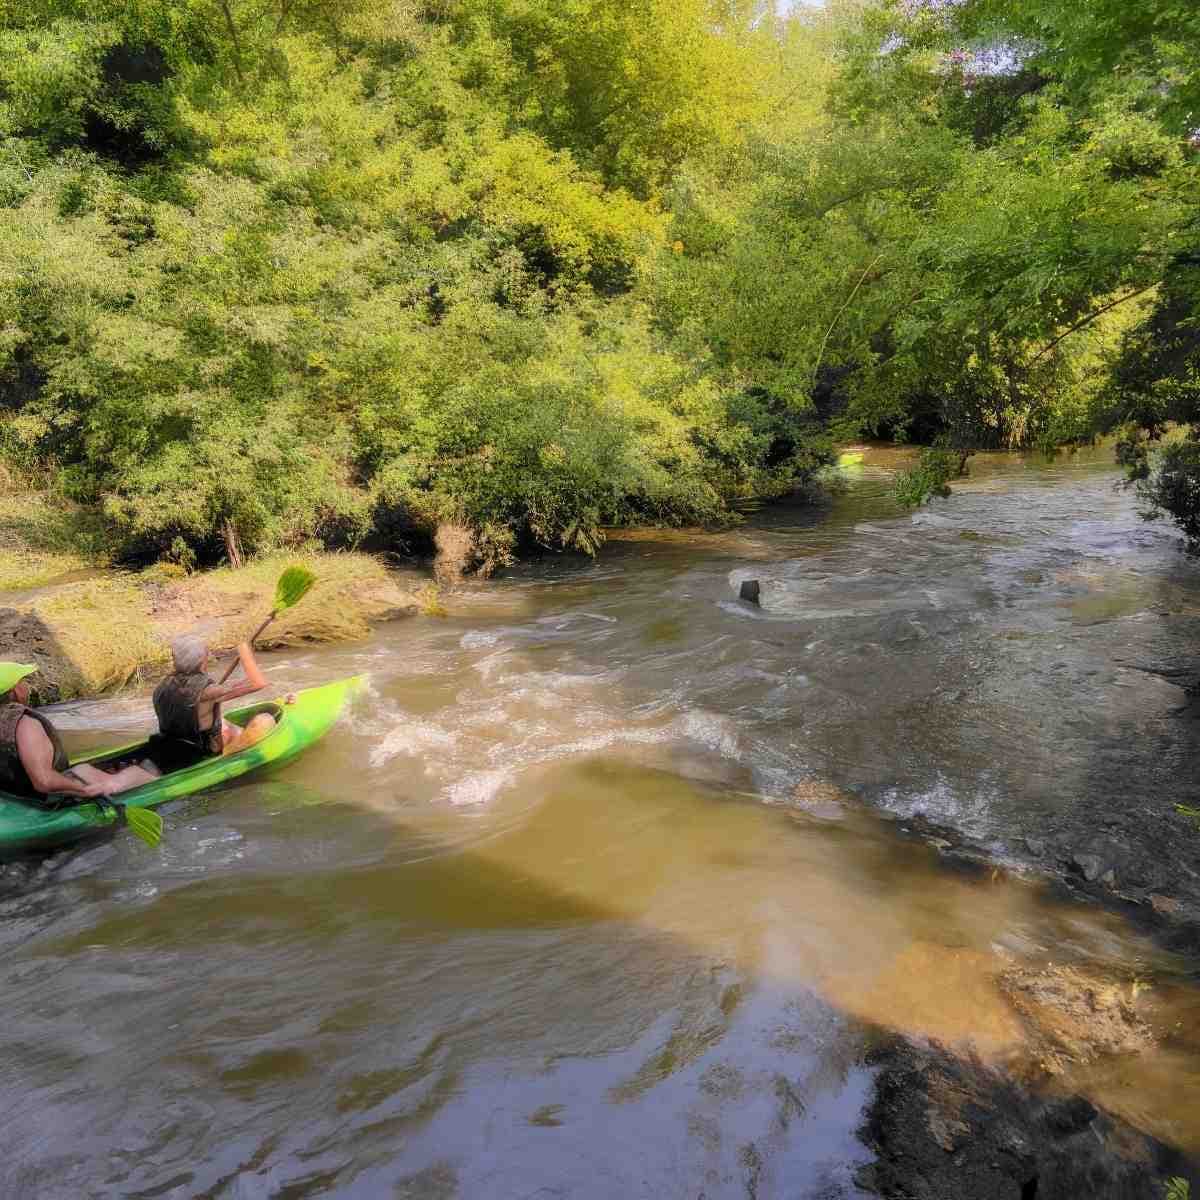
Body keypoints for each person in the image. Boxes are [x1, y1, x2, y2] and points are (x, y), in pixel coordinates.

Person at [0, 663, 156, 802]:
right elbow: (44, 782)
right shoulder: (25, 724)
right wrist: (81, 790)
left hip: (12, 793)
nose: (27, 686)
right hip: (46, 800)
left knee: (82, 768)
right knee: (139, 774)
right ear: (16, 690)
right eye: (23, 682)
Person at [150, 636, 278, 771]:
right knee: (265, 719)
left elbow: (209, 694)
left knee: (223, 722)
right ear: (202, 660)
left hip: (170, 747)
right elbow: (258, 683)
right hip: (199, 755)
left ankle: (237, 738)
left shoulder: (162, 687)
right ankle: (228, 757)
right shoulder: (207, 692)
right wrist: (244, 650)